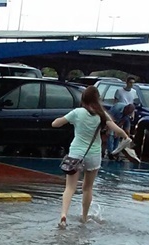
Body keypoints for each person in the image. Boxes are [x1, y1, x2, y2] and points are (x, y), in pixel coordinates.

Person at [52, 86, 130, 227]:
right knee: (87, 188)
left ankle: (63, 215)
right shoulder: (102, 115)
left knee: (70, 187)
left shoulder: (77, 112)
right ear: (97, 99)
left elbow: (56, 124)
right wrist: (126, 136)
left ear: (83, 98)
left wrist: (60, 120)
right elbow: (117, 130)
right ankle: (84, 217)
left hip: (76, 154)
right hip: (93, 155)